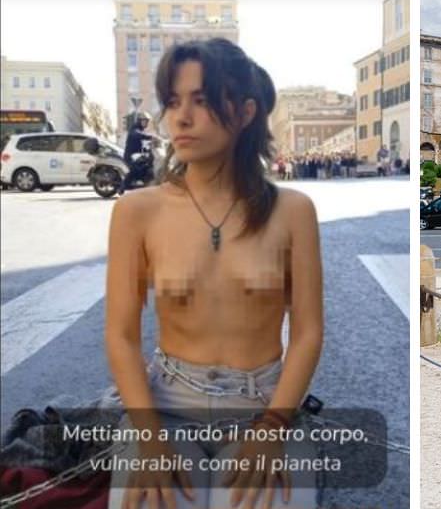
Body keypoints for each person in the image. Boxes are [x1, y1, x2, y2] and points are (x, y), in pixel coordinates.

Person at [105, 38, 321, 508]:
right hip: (165, 405)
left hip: (262, 403)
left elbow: (307, 333)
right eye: (173, 102)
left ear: (244, 113)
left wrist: (274, 429)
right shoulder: (136, 211)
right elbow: (121, 335)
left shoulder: (293, 211)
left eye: (201, 101)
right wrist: (149, 440)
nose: (180, 117)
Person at [118, 111, 157, 196]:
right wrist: (150, 137)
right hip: (130, 156)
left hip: (137, 155)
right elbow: (137, 134)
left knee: (147, 164)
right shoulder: (134, 129)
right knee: (136, 169)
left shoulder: (141, 130)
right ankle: (122, 186)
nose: (146, 123)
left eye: (147, 121)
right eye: (144, 121)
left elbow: (142, 141)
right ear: (140, 120)